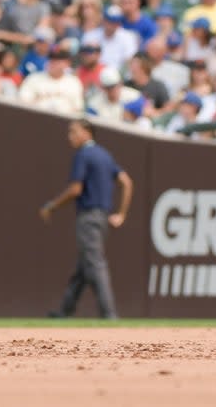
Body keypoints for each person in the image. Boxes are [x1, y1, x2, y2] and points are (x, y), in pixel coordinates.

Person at [41, 118, 134, 320]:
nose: (70, 137)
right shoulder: (105, 155)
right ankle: (65, 311)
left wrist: (52, 206)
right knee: (83, 268)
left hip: (89, 216)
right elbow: (126, 182)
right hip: (102, 217)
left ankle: (109, 314)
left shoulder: (83, 154)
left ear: (87, 132)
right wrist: (122, 214)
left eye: (74, 132)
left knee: (94, 263)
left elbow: (76, 189)